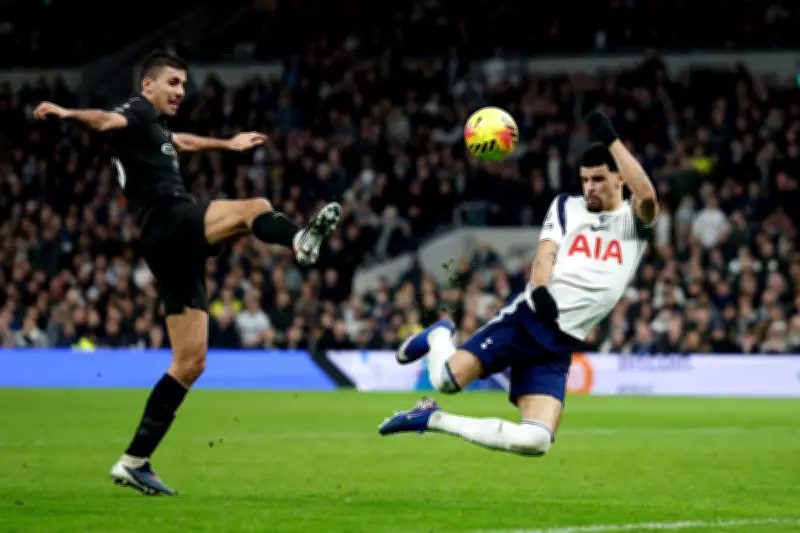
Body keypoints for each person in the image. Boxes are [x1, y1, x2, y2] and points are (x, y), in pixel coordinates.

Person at [33, 51, 341, 495]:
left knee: (190, 361)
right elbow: (103, 122)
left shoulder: (153, 126)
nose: (181, 91)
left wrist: (228, 144)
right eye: (173, 83)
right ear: (148, 85)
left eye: (184, 84)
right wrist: (66, 113)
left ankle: (134, 460)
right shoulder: (135, 111)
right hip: (168, 219)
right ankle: (299, 240)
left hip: (161, 241)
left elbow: (184, 143)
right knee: (253, 208)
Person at [379, 111, 658, 457]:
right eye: (585, 180)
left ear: (620, 180)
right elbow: (545, 257)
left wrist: (612, 139)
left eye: (599, 179)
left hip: (559, 344)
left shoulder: (632, 224)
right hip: (528, 320)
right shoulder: (567, 207)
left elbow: (646, 194)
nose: (589, 188)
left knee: (536, 442)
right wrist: (540, 291)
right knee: (445, 381)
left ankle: (432, 419)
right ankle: (439, 335)